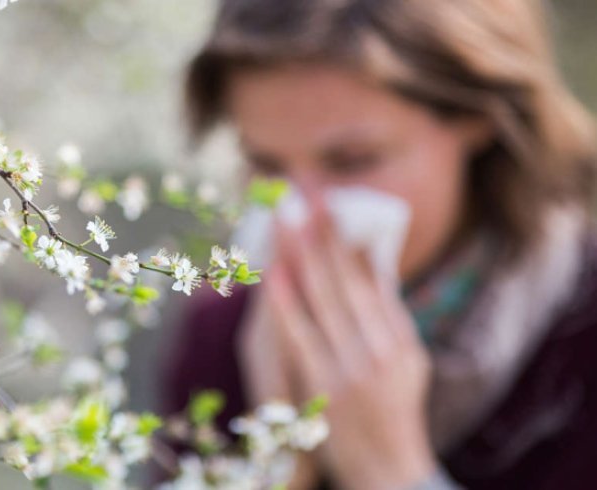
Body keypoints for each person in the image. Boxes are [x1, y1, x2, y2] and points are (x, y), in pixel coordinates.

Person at [160, 0, 597, 488]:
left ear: (478, 115)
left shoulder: (579, 333)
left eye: (351, 161)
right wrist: (277, 467)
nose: (301, 216)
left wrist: (391, 470)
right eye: (269, 168)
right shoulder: (224, 333)